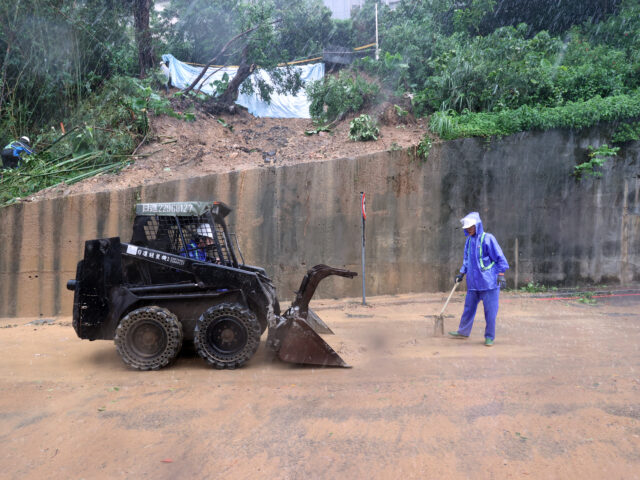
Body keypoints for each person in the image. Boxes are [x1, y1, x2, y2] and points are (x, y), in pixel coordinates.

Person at [448, 212, 509, 346]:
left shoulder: (488, 238)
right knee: (468, 308)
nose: (468, 229)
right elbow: (467, 260)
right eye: (466, 228)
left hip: (489, 283)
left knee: (490, 312)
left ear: (477, 225)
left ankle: (489, 337)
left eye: (471, 227)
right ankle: (463, 331)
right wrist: (461, 274)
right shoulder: (469, 241)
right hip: (473, 283)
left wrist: (501, 275)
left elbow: (500, 258)